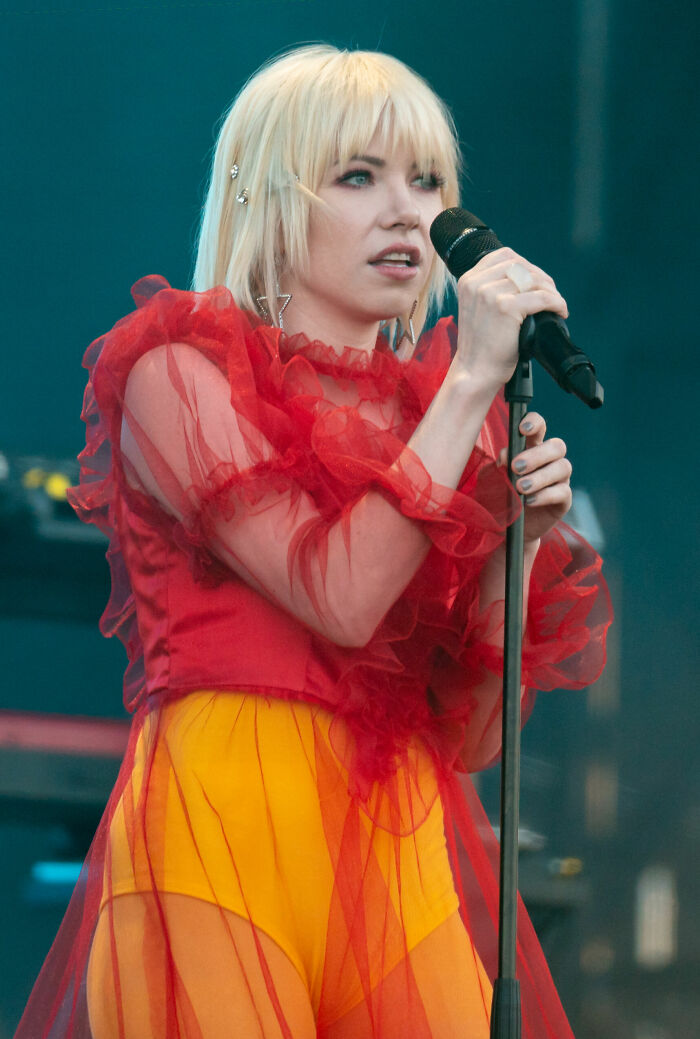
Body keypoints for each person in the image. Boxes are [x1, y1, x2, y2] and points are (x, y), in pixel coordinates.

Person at [16, 44, 611, 1039]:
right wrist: (472, 381)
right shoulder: (181, 374)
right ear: (266, 198)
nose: (408, 213)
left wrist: (513, 552)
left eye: (428, 182)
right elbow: (335, 593)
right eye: (358, 177)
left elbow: (471, 738)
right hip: (223, 829)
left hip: (399, 844)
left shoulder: (448, 422)